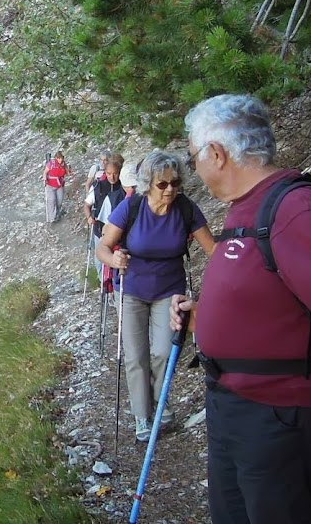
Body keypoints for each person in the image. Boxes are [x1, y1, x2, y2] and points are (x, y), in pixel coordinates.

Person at [170, 93, 311, 524]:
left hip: (279, 418)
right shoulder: (248, 208)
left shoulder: (295, 208)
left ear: (216, 154)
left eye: (194, 154)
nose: (195, 165)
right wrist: (203, 315)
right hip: (236, 406)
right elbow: (272, 295)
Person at [96, 150, 215, 443]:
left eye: (175, 182)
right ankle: (142, 414)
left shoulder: (186, 209)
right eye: (163, 184)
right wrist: (114, 261)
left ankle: (160, 404)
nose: (170, 189)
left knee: (164, 352)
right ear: (148, 184)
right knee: (136, 356)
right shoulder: (131, 208)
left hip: (169, 291)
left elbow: (214, 249)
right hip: (132, 289)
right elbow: (103, 246)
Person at [43, 151, 69, 223]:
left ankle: (57, 213)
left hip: (59, 185)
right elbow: (45, 172)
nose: (60, 160)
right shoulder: (51, 164)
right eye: (59, 158)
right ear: (56, 158)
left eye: (61, 158)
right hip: (50, 185)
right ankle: (52, 218)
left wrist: (69, 171)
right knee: (51, 201)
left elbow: (67, 172)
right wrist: (45, 179)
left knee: (59, 201)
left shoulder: (64, 165)